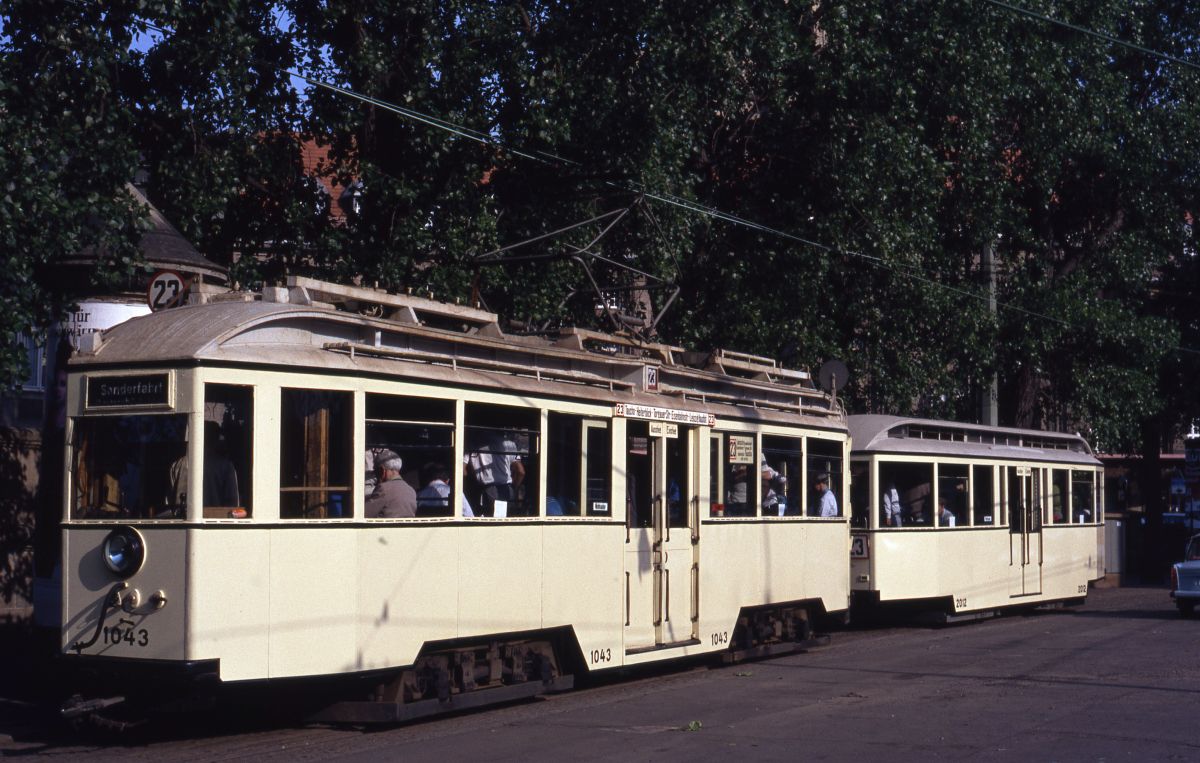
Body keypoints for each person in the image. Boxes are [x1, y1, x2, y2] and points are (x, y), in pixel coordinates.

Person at [465, 430, 525, 516]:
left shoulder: (474, 443)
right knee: (503, 519)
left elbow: (462, 470)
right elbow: (521, 471)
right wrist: (514, 488)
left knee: (487, 519)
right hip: (506, 490)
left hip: (486, 490)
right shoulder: (510, 444)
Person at [366, 450, 417, 518]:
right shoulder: (411, 490)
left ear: (381, 470)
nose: (375, 476)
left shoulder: (383, 489)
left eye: (376, 471)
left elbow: (365, 514)